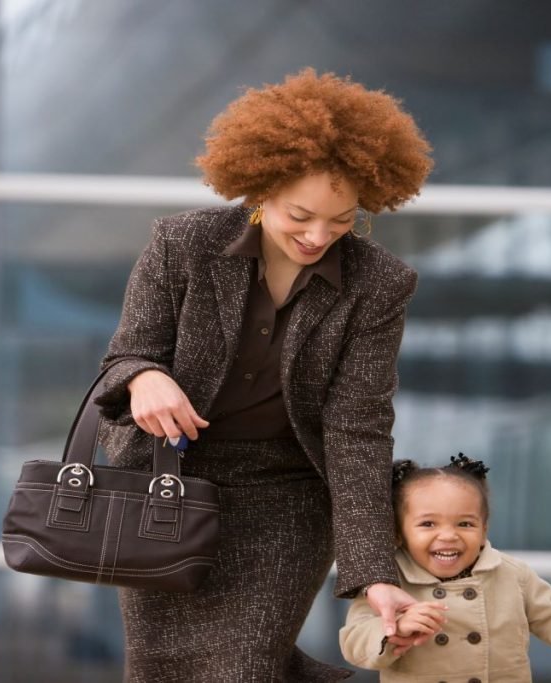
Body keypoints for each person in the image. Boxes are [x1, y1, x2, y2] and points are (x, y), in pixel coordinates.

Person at [93, 68, 434, 681]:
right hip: (167, 485)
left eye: (342, 220)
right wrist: (145, 377)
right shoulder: (182, 244)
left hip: (287, 496)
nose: (318, 235)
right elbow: (126, 354)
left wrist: (372, 573)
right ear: (259, 188)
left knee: (245, 665)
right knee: (161, 668)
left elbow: (358, 429)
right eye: (300, 214)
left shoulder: (380, 284)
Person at [339, 455, 551, 681]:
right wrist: (393, 630)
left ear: (484, 529)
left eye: (465, 524)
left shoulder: (511, 575)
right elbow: (354, 640)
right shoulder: (387, 581)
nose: (448, 536)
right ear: (399, 532)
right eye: (428, 524)